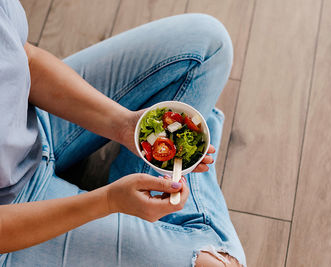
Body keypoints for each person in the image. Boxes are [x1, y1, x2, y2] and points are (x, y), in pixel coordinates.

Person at [0, 0, 246, 266]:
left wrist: (125, 125)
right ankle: (150, 192)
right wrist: (107, 201)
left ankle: (146, 190)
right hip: (14, 215)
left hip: (32, 119)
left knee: (208, 45)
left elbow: (25, 58)